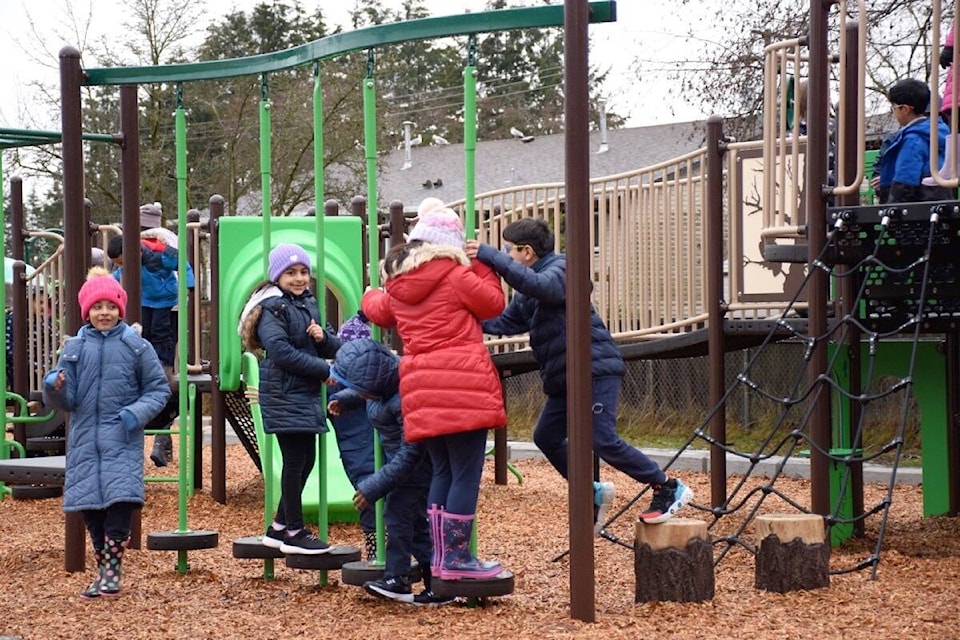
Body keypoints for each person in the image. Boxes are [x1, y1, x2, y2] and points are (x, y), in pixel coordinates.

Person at [465, 217, 693, 529]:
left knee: (601, 438)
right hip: (564, 379)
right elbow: (505, 323)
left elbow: (542, 287)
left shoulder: (561, 269)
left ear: (526, 252)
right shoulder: (529, 291)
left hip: (593, 369)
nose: (507, 255)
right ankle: (591, 491)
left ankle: (667, 486)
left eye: (509, 250)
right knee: (545, 436)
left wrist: (491, 256)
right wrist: (461, 315)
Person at [361, 197, 507, 581]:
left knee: (442, 471)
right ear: (450, 245)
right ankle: (456, 558)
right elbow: (493, 304)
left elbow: (378, 310)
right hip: (462, 384)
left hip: (421, 387)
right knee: (465, 474)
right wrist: (483, 266)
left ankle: (443, 558)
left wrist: (368, 293)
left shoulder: (398, 284)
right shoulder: (457, 275)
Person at [41, 267, 170, 599]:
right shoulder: (74, 348)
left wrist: (133, 415)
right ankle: (105, 571)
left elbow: (158, 389)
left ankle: (112, 571)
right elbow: (67, 399)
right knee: (92, 509)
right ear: (87, 311)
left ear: (120, 309)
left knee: (119, 502)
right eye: (97, 307)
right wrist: (53, 388)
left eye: (110, 307)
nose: (104, 313)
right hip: (85, 438)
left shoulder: (135, 345)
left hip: (120, 436)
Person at [329, 338, 450, 606]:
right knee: (416, 523)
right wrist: (345, 399)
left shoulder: (406, 400)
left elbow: (410, 454)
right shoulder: (383, 386)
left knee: (396, 513)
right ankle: (438, 584)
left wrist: (373, 486)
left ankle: (398, 578)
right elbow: (367, 393)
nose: (361, 395)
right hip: (401, 460)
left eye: (361, 391)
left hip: (417, 465)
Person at [239, 243, 341, 555]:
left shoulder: (308, 303)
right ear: (277, 276)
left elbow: (328, 345)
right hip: (284, 391)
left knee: (306, 459)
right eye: (291, 273)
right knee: (296, 460)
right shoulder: (274, 308)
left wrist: (324, 339)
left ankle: (279, 527)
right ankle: (295, 532)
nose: (298, 278)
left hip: (303, 392)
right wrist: (321, 371)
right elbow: (280, 351)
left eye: (303, 272)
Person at [327, 310, 378, 561]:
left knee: (378, 494)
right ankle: (375, 548)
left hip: (368, 453)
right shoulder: (340, 388)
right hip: (361, 454)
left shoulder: (372, 383)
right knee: (370, 493)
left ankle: (380, 548)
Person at [875, 78, 952, 204]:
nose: (893, 112)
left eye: (893, 107)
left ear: (905, 109)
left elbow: (905, 178)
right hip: (941, 197)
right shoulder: (938, 131)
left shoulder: (913, 139)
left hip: (918, 203)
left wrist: (892, 206)